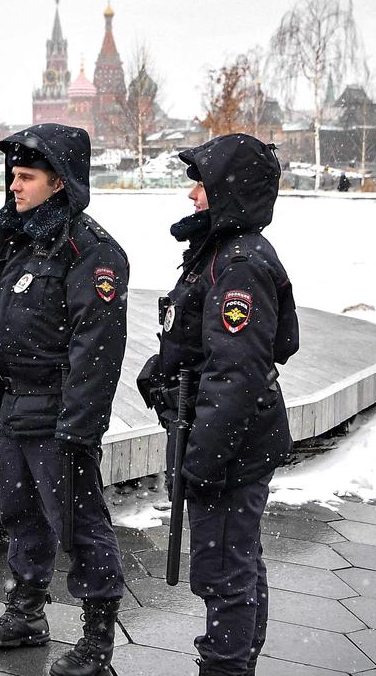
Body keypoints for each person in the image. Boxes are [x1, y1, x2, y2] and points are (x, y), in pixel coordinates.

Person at [0, 123, 129, 676]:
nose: (15, 185)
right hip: (15, 410)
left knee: (80, 526)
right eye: (13, 175)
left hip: (58, 416)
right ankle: (26, 613)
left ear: (58, 183)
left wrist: (80, 427)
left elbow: (96, 348)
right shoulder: (22, 238)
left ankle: (98, 641)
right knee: (21, 518)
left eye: (27, 176)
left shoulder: (91, 251)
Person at [139, 133, 300, 676]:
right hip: (224, 436)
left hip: (230, 445)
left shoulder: (238, 262)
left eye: (201, 185)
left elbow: (239, 372)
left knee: (225, 571)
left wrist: (203, 459)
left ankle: (226, 667)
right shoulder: (222, 252)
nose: (192, 196)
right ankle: (235, 663)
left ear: (228, 191)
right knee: (239, 563)